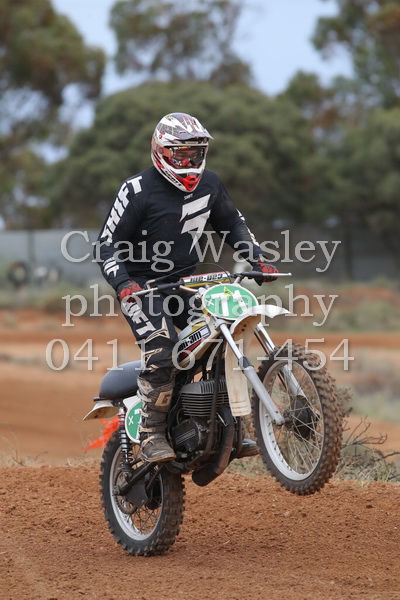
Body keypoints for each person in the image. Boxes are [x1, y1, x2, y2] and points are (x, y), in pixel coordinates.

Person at [96, 112, 278, 463]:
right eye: (180, 154)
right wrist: (123, 283)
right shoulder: (136, 190)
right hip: (142, 289)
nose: (189, 161)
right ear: (161, 151)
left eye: (195, 153)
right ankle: (151, 433)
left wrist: (257, 258)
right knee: (162, 349)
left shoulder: (210, 184)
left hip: (184, 285)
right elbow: (107, 244)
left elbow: (232, 224)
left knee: (224, 335)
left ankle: (227, 426)